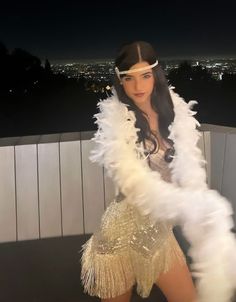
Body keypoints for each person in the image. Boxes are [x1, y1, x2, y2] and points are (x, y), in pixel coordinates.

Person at [81, 41, 236, 302]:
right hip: (119, 236)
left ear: (156, 75)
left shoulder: (175, 112)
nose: (138, 87)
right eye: (129, 79)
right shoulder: (116, 122)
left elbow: (189, 171)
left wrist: (203, 203)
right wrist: (190, 204)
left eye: (145, 76)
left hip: (159, 234)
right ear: (120, 81)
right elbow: (137, 185)